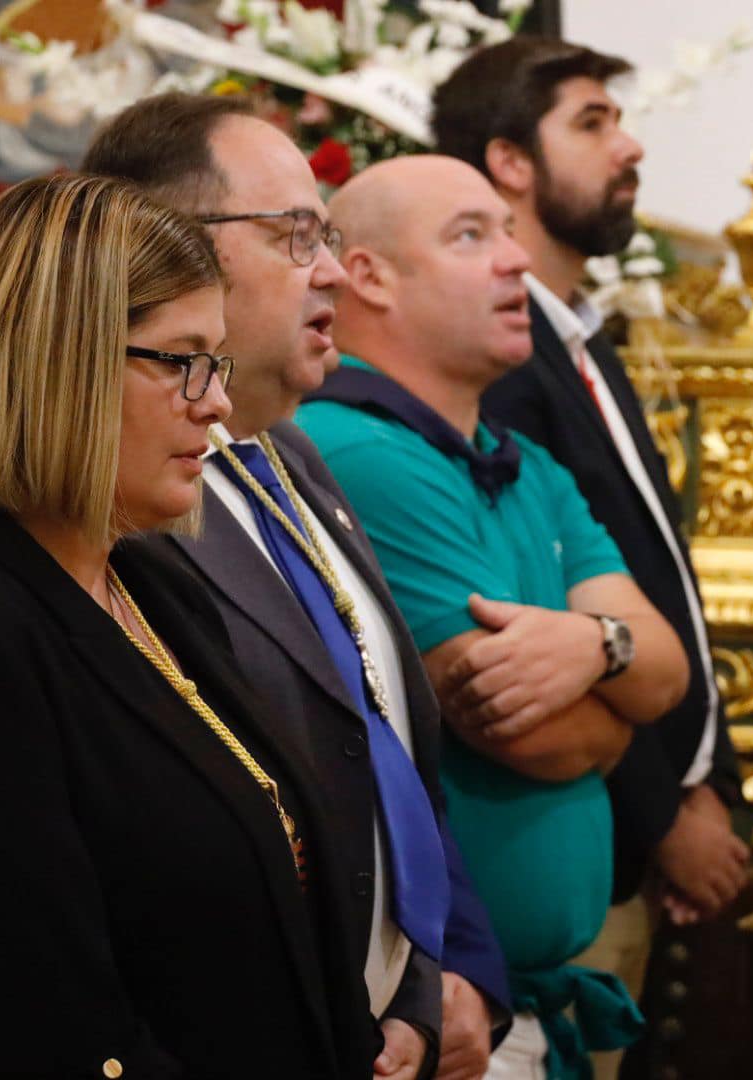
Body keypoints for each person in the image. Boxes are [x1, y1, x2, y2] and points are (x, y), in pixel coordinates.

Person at [0, 174, 378, 1079]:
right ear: (54, 364)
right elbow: (37, 1029)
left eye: (217, 362)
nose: (216, 403)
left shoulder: (150, 581)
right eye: (181, 361)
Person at [81, 93, 512, 1080]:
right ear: (171, 244)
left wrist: (431, 983)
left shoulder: (291, 455)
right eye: (296, 237)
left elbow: (387, 749)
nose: (332, 273)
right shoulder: (120, 506)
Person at [298, 154, 690, 1080]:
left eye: (509, 232)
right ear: (369, 277)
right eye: (470, 236)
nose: (515, 259)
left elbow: (666, 671)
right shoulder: (359, 450)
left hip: (526, 1001)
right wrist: (617, 711)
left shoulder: (522, 462)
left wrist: (596, 644)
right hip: (442, 1012)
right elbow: (525, 731)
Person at [432, 37, 749, 1062]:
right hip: (577, 842)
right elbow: (532, 624)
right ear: (510, 162)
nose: (630, 146)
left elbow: (657, 586)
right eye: (592, 122)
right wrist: (665, 813)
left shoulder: (576, 336)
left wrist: (706, 780)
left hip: (631, 831)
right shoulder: (498, 357)